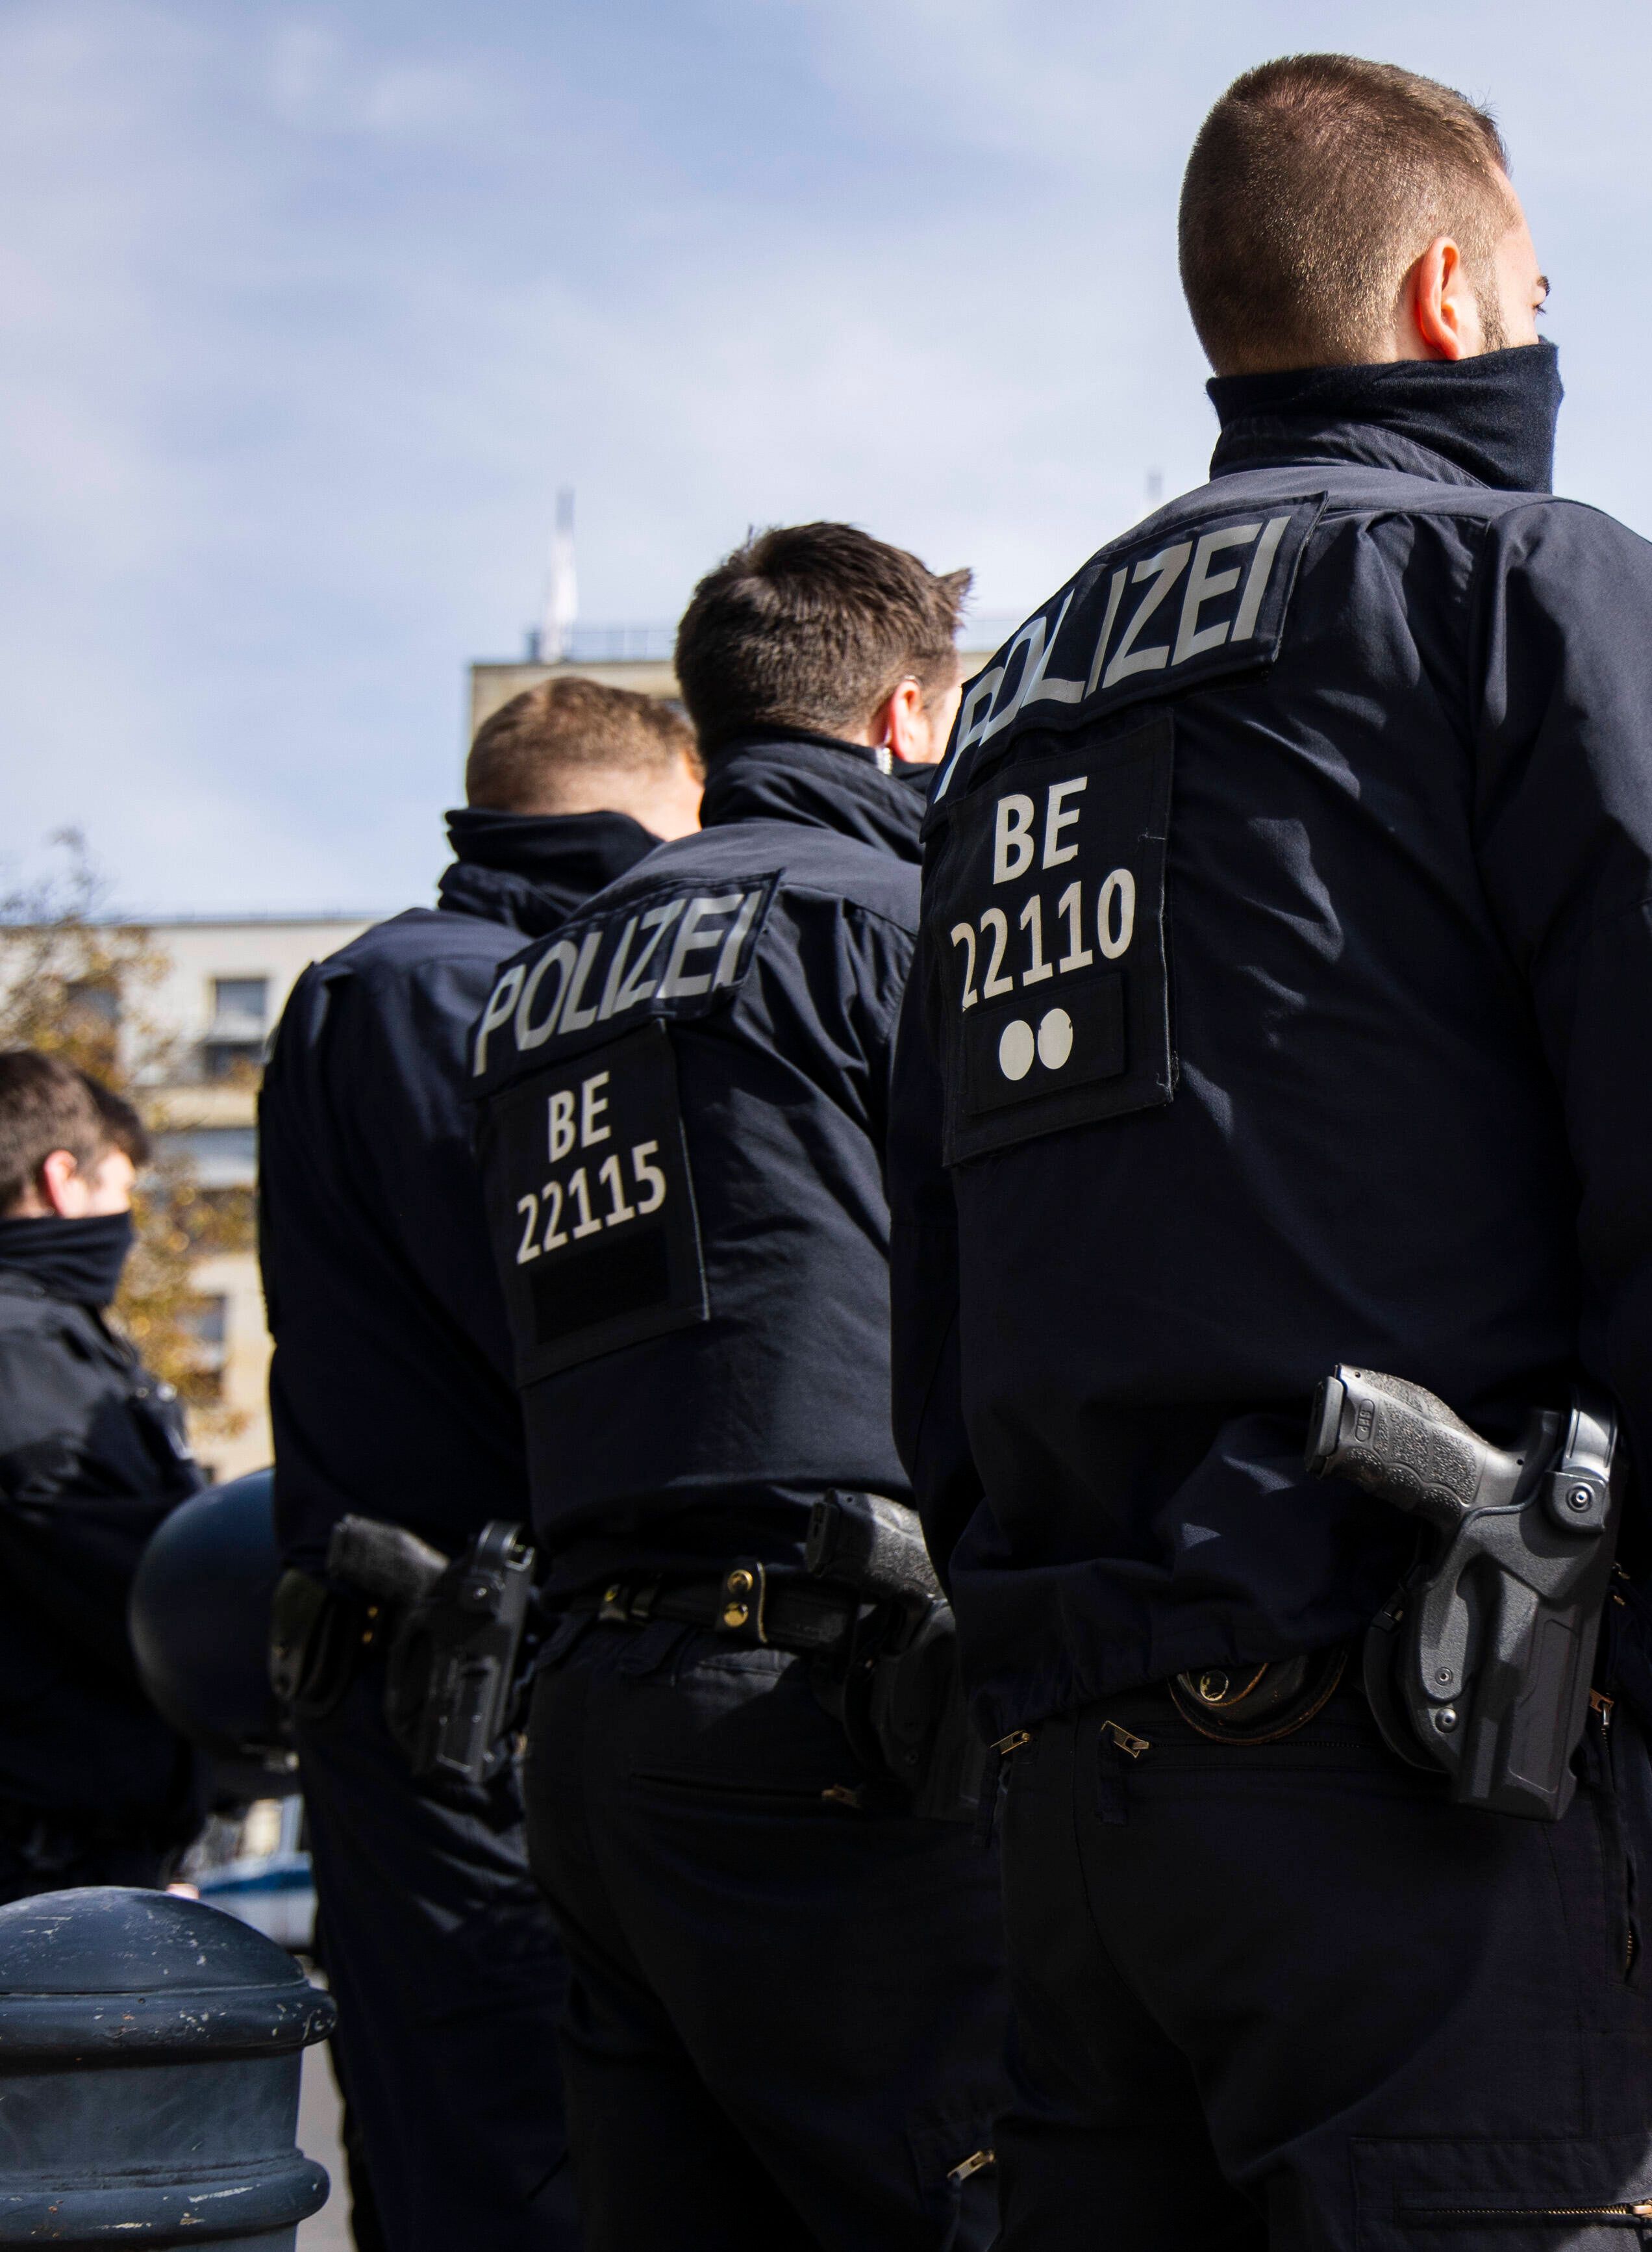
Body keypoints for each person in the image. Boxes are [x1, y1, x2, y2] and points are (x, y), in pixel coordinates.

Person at [888, 54, 1652, 2244]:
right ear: (1453, 294)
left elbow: (936, 1248)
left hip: (1076, 1798)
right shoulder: (1544, 595)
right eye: (1546, 282)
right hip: (1416, 1775)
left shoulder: (1017, 709)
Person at [481, 526, 1011, 2249]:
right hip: (829, 1705)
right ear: (910, 713)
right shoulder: (884, 918)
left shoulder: (541, 984)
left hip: (596, 1707)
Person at [257, 678, 703, 2248]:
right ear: (649, 809)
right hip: (462, 1689)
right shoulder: (460, 993)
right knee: (510, 2150)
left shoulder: (402, 979)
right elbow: (552, 1312)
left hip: (447, 1679)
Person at [0, 1054, 206, 1904]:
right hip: (47, 1870)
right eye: (119, 1191)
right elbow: (137, 1578)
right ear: (60, 1179)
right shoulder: (25, 1347)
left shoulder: (52, 1340)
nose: (124, 1225)